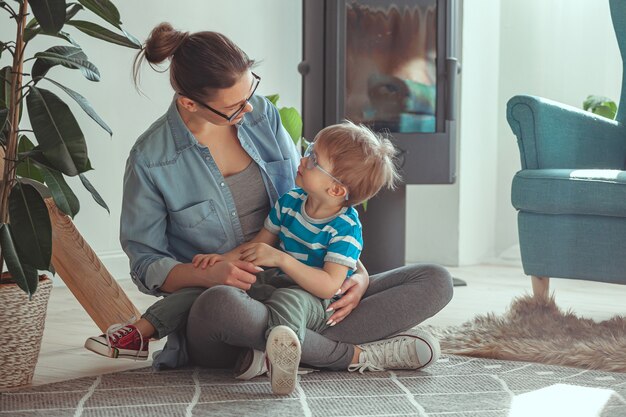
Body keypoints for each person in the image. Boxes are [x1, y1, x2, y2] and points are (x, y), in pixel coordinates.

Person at [84, 22, 453, 392]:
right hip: (227, 308)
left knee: (435, 280)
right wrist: (210, 274)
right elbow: (146, 264)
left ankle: (276, 352)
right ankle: (357, 355)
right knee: (220, 304)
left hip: (303, 288)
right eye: (234, 106)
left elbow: (319, 205)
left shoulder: (261, 115)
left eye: (251, 91)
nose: (249, 107)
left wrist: (357, 277)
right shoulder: (152, 159)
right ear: (189, 103)